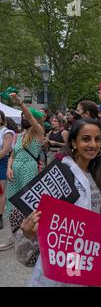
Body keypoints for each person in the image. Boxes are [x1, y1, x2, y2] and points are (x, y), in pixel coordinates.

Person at [17, 118, 101, 286]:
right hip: (58, 261)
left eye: (98, 139)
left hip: (86, 258)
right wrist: (29, 232)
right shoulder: (61, 173)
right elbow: (37, 220)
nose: (93, 144)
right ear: (73, 143)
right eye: (86, 139)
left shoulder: (97, 174)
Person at [0, 93, 45, 251]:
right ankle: (13, 238)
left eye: (26, 116)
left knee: (27, 205)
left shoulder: (39, 132)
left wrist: (20, 103)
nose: (23, 118)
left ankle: (30, 240)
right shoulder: (19, 136)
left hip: (28, 170)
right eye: (22, 116)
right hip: (15, 171)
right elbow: (12, 155)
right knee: (12, 205)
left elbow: (31, 118)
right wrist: (9, 167)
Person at [0, 111, 14, 230]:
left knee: (1, 191)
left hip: (2, 163)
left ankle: (0, 217)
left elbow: (5, 151)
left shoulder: (7, 132)